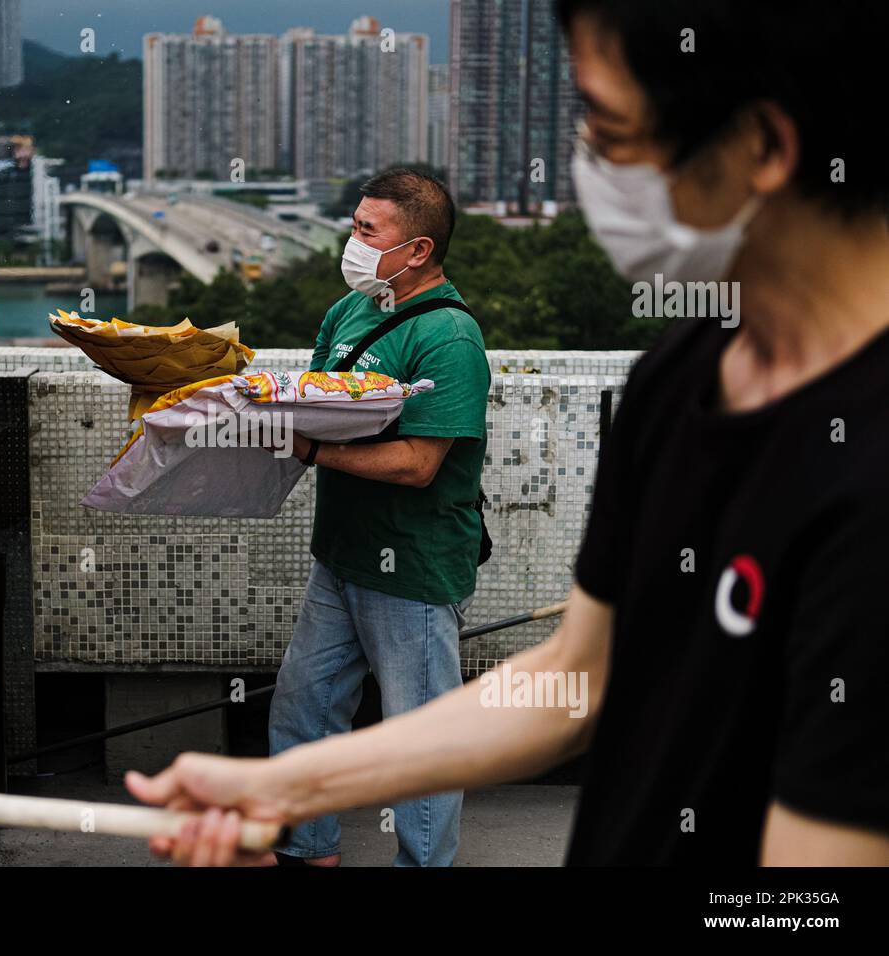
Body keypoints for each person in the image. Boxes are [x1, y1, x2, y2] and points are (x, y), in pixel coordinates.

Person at [126, 0, 889, 866]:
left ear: (762, 148)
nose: (587, 166)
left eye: (608, 126)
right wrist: (288, 786)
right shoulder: (677, 381)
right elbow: (580, 680)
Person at [261, 167, 488, 866]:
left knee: (416, 741)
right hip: (341, 554)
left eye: (367, 230)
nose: (351, 241)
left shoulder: (449, 337)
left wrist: (315, 452)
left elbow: (420, 463)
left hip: (412, 567)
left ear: (416, 249)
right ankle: (308, 848)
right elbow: (311, 401)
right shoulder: (350, 311)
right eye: (354, 225)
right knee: (302, 708)